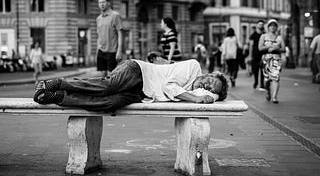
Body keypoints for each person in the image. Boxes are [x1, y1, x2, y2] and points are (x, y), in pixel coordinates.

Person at [33, 59, 229, 112]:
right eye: (211, 81)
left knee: (109, 103)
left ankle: (59, 97)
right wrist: (196, 98)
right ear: (209, 73)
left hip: (143, 94)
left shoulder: (197, 91)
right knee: (107, 86)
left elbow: (213, 97)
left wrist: (212, 94)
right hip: (138, 71)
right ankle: (58, 83)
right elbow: (169, 88)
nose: (208, 86)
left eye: (211, 88)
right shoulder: (193, 67)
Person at [258, 19, 285, 103]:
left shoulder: (279, 37)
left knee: (276, 78)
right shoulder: (263, 36)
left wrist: (278, 48)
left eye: (274, 26)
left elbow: (283, 49)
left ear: (276, 27)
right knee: (267, 79)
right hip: (266, 59)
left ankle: (274, 97)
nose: (272, 27)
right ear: (268, 27)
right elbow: (260, 48)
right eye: (271, 26)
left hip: (276, 59)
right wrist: (268, 46)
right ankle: (268, 92)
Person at [96, 0, 123, 76]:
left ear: (108, 3)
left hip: (112, 51)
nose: (101, 4)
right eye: (100, 3)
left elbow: (120, 33)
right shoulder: (98, 18)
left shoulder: (115, 16)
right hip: (101, 51)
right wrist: (97, 50)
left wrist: (119, 50)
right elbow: (99, 35)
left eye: (103, 2)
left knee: (111, 77)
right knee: (102, 77)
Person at [249, 20, 266, 90]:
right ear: (257, 26)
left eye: (262, 24)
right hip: (255, 54)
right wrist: (250, 56)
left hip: (263, 54)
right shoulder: (253, 35)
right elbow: (251, 46)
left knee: (263, 70)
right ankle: (256, 82)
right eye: (259, 24)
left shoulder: (265, 35)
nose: (261, 26)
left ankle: (262, 84)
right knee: (255, 70)